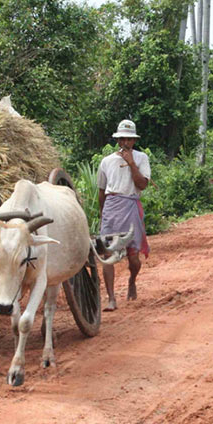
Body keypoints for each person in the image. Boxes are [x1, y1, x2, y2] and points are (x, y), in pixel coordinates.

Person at [97, 119, 151, 312]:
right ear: (118, 141)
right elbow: (102, 191)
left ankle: (132, 280)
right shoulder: (106, 161)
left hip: (131, 205)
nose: (125, 143)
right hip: (112, 207)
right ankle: (111, 298)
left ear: (134, 141)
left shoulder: (142, 158)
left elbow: (142, 185)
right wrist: (104, 214)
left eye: (129, 139)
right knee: (107, 255)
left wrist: (131, 164)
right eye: (122, 139)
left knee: (134, 257)